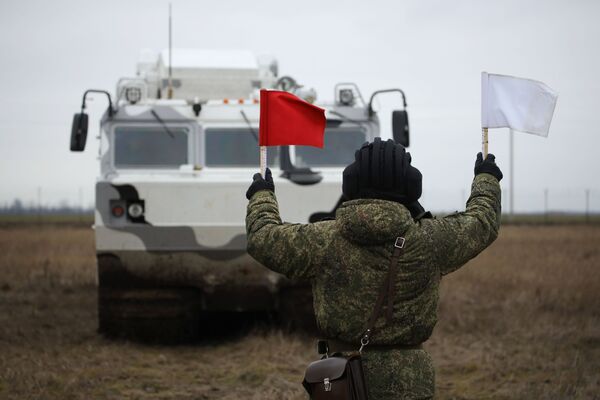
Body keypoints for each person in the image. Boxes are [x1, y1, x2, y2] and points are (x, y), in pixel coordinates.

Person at [245, 138, 502, 399]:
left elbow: (263, 237)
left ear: (351, 182)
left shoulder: (322, 240)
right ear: (412, 185)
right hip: (411, 384)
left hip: (340, 381)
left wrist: (262, 194)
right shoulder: (431, 240)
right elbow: (481, 222)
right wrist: (486, 179)